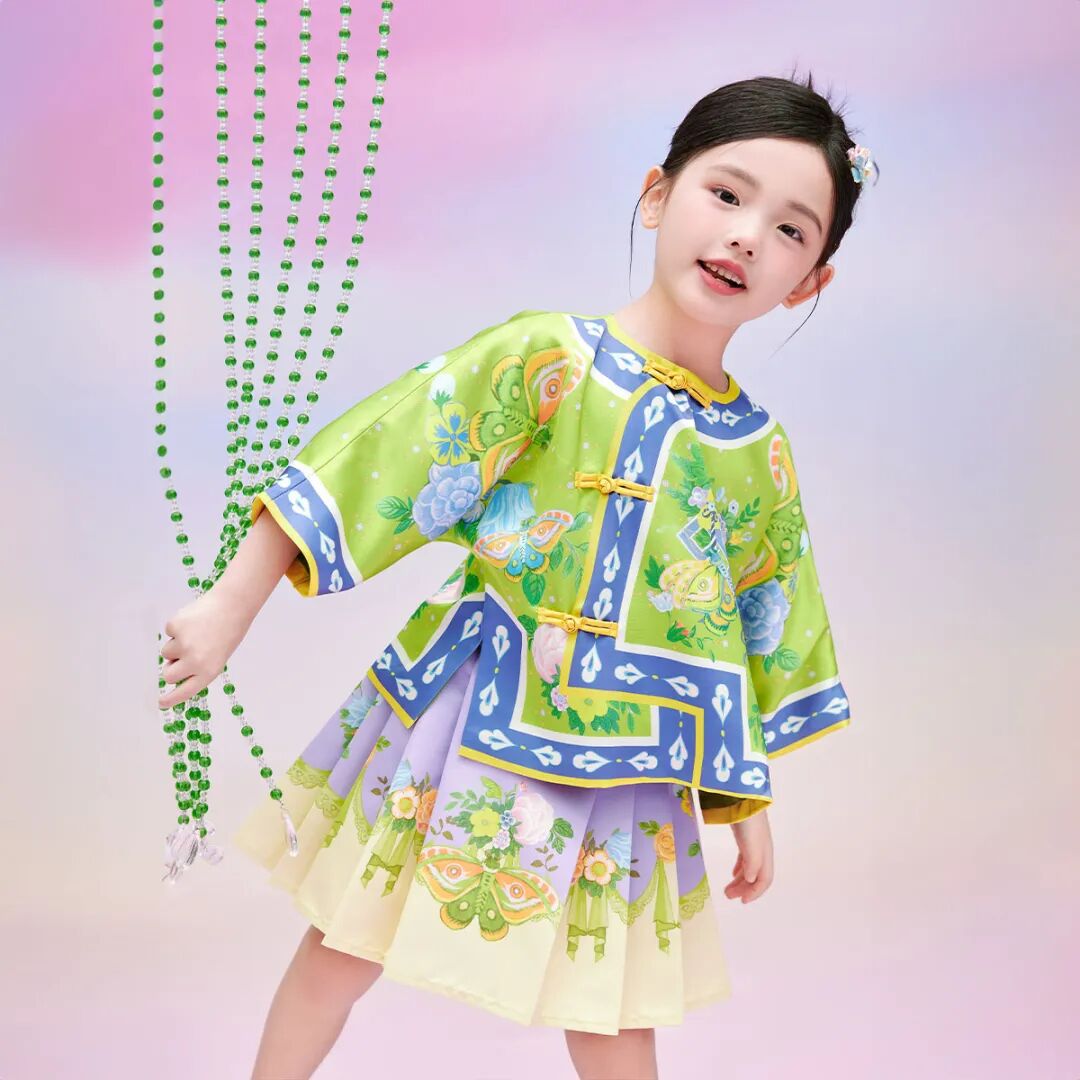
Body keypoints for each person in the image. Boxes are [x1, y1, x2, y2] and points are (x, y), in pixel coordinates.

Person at [158, 71, 873, 1080]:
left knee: (613, 1008)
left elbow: (750, 625)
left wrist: (742, 800)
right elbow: (385, 454)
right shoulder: (547, 359)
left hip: (634, 759)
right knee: (346, 943)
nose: (748, 236)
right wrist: (232, 604)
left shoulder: (756, 452)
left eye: (791, 229)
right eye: (726, 193)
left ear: (809, 283)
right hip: (467, 717)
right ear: (657, 194)